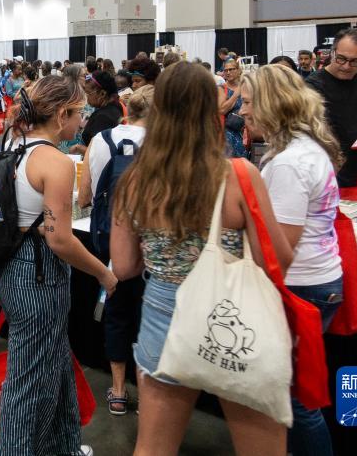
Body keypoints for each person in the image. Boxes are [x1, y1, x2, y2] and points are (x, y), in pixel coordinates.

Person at [110, 61, 294, 456]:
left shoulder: (135, 181)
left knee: (153, 447)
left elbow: (123, 267)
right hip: (232, 311)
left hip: (162, 314)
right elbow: (275, 261)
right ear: (212, 112)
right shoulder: (239, 175)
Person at [0, 76, 117, 455]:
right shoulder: (55, 162)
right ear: (62, 114)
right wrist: (103, 273)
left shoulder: (15, 145)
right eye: (79, 113)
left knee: (55, 361)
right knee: (28, 382)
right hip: (37, 273)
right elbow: (58, 238)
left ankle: (64, 445)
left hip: (11, 266)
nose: (82, 121)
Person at [240, 64, 344, 455]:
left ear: (271, 104)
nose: (243, 111)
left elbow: (280, 248)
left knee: (294, 400)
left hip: (299, 285)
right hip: (314, 280)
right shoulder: (305, 149)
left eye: (248, 102)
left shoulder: (288, 162)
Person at [78, 85, 155, 416]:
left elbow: (84, 197)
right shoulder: (160, 143)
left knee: (116, 310)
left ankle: (119, 390)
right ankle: (149, 394)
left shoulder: (99, 140)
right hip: (150, 243)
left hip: (108, 239)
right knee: (148, 317)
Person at [306, 28, 357, 188]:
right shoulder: (312, 86)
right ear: (333, 52)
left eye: (355, 61)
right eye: (341, 58)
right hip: (329, 175)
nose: (346, 66)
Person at [74, 71, 123, 154]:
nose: (86, 97)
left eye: (88, 93)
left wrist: (79, 148)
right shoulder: (115, 106)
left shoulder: (103, 118)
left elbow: (102, 153)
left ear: (102, 94)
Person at [219, 58, 249, 158]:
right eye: (225, 70)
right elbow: (222, 110)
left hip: (245, 133)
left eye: (231, 69)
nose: (228, 72)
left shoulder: (246, 87)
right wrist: (235, 95)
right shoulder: (222, 89)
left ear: (238, 70)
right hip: (227, 134)